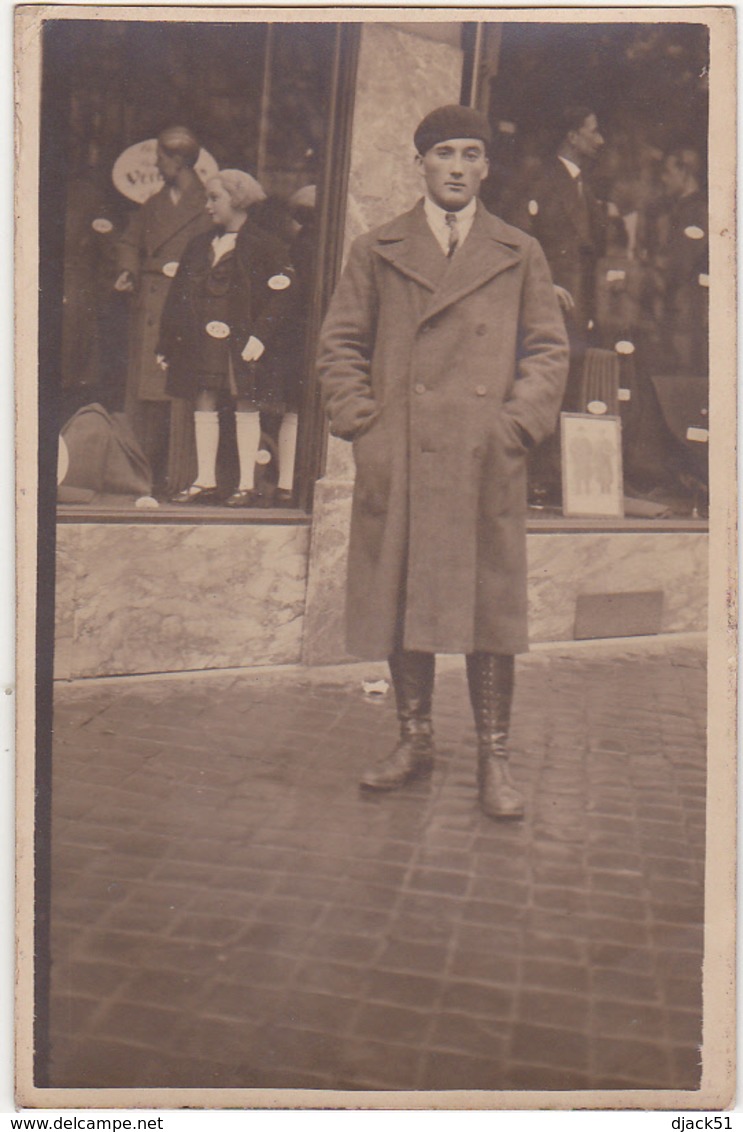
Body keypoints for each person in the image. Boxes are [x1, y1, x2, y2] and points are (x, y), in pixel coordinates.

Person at [317, 106, 569, 819]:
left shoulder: (519, 250)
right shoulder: (377, 248)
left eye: (471, 154)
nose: (457, 167)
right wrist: (364, 426)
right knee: (404, 594)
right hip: (404, 451)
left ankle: (494, 754)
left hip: (485, 454)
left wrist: (516, 425)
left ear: (486, 167)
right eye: (443, 154)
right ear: (419, 163)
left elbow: (547, 349)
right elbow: (339, 346)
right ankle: (414, 738)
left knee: (489, 607)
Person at [157, 170, 297, 507]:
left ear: (237, 199)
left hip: (240, 342)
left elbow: (283, 295)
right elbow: (176, 297)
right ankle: (205, 481)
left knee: (245, 402)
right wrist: (166, 343)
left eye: (214, 198)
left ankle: (246, 484)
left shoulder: (267, 246)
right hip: (201, 342)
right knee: (203, 399)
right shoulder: (199, 244)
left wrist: (261, 337)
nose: (207, 206)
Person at [114, 126, 213, 494]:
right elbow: (129, 240)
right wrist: (127, 269)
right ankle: (140, 479)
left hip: (184, 307)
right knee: (144, 397)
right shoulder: (154, 203)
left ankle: (179, 479)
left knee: (180, 396)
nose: (156, 164)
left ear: (180, 161)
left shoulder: (207, 202)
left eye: (162, 158)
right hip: (151, 305)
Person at [523, 106, 607, 502]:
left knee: (569, 391)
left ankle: (555, 480)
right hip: (547, 310)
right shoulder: (540, 181)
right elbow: (520, 242)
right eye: (594, 131)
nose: (600, 139)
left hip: (579, 314)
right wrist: (545, 285)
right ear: (572, 135)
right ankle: (533, 479)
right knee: (543, 388)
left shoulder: (587, 188)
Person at [654, 147, 708, 376]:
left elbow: (682, 264)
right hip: (677, 311)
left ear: (684, 171)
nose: (663, 179)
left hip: (685, 313)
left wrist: (658, 264)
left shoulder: (697, 211)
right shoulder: (681, 208)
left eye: (667, 171)